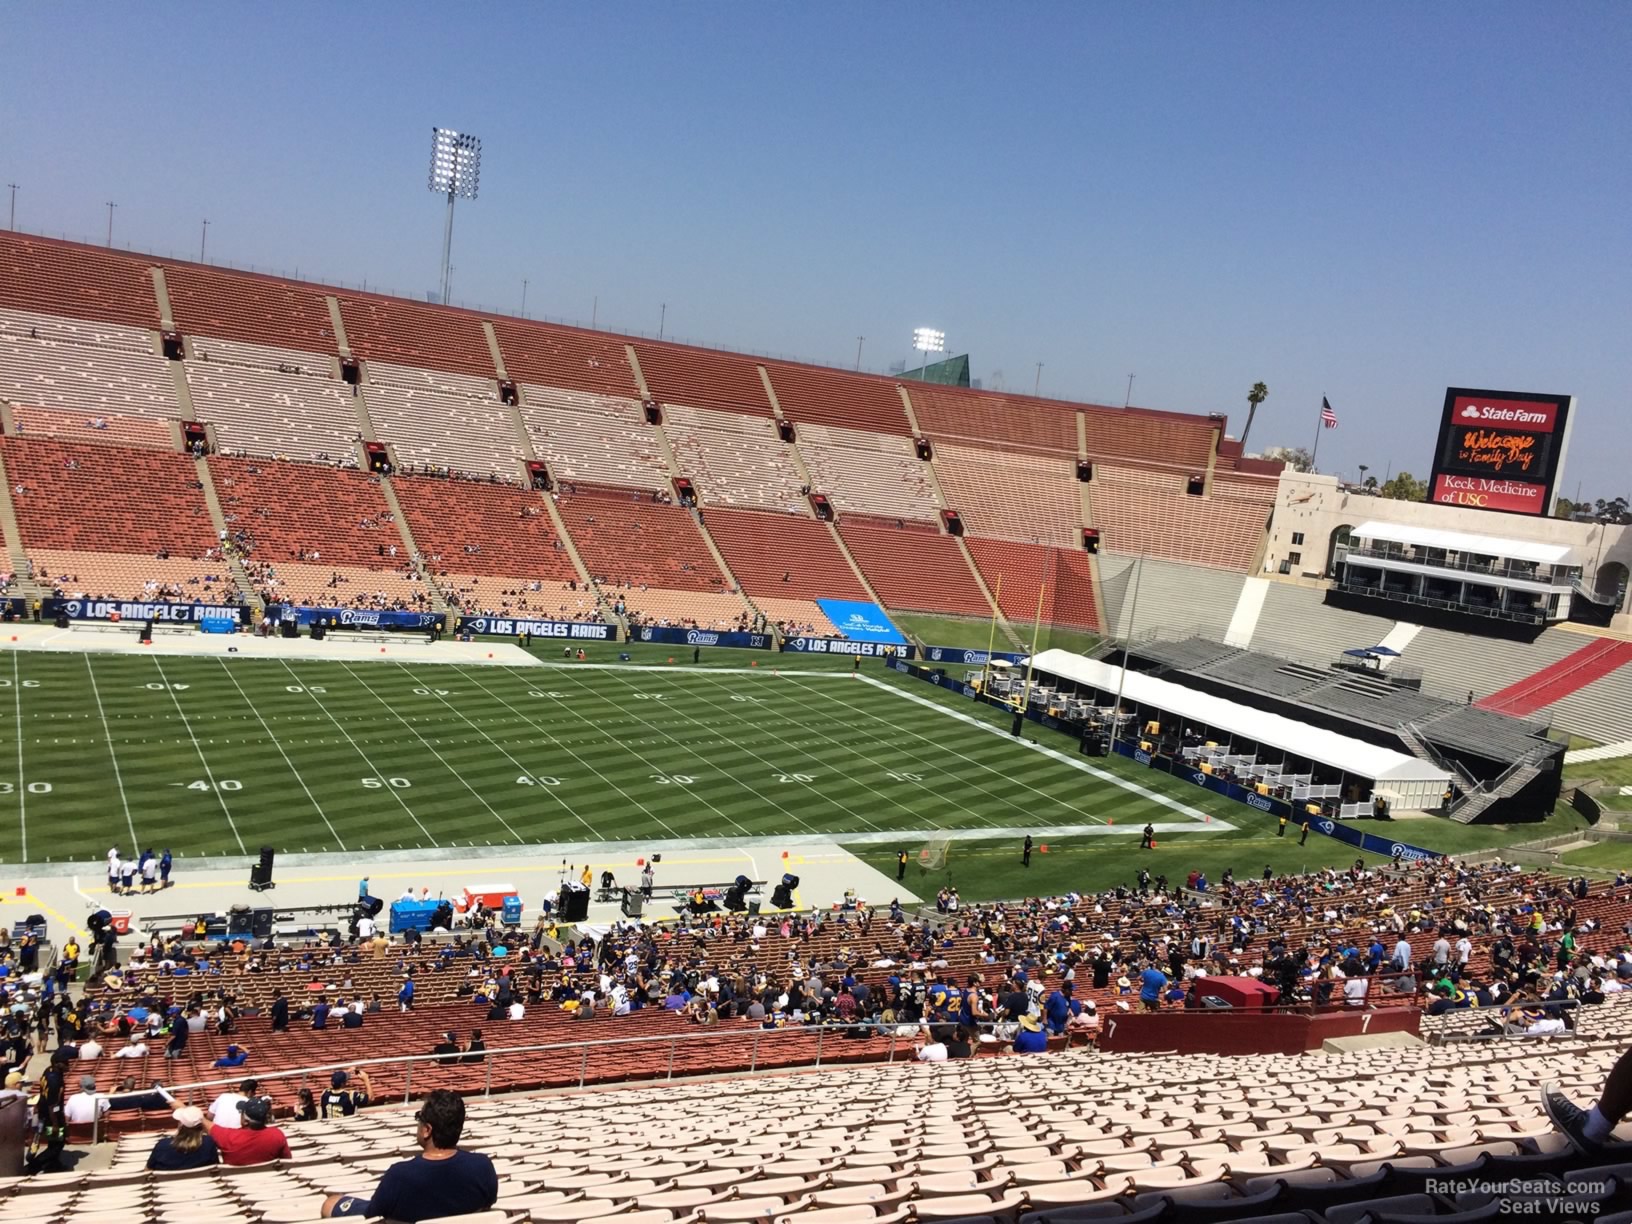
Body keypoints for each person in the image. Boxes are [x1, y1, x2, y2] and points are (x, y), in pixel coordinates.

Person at [322, 1089, 497, 1221]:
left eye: (419, 1117)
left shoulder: (399, 1175)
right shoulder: (483, 1167)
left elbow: (372, 1216)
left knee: (329, 1204)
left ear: (427, 1130)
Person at [203, 1096, 291, 1166]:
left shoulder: (228, 1137)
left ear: (245, 1121)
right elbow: (287, 1162)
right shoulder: (277, 1135)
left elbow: (204, 1123)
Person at [147, 1105, 220, 1171]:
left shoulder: (162, 1145)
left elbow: (148, 1170)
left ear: (181, 1125)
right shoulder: (209, 1143)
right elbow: (215, 1165)